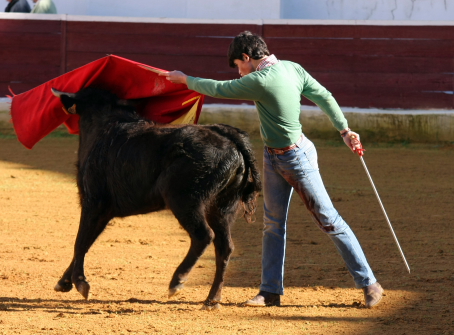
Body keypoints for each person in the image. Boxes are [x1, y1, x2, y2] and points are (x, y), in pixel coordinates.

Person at [160, 31, 384, 308]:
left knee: (327, 220)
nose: (239, 72)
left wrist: (186, 80)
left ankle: (369, 282)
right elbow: (324, 96)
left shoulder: (260, 80)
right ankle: (270, 292)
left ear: (247, 57)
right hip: (278, 155)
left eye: (238, 65)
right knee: (275, 225)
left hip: (295, 160)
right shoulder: (292, 68)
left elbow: (219, 89)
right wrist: (344, 130)